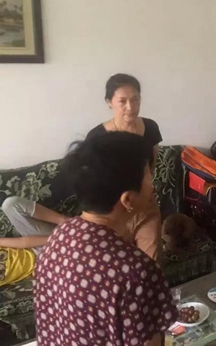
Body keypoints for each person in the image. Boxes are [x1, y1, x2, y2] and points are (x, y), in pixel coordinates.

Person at [34, 132, 177, 346]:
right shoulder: (136, 272)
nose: (153, 185)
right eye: (148, 177)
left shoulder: (60, 235)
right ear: (128, 199)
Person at [87, 73, 163, 260]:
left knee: (151, 263)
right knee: (119, 265)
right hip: (113, 212)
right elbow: (94, 183)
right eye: (122, 101)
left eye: (135, 99)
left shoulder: (150, 127)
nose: (130, 107)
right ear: (109, 102)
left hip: (145, 206)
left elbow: (152, 164)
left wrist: (144, 193)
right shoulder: (97, 137)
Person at [0, 198, 68, 286]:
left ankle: (70, 223)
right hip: (44, 268)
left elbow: (23, 243)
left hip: (37, 246)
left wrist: (57, 238)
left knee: (10, 204)